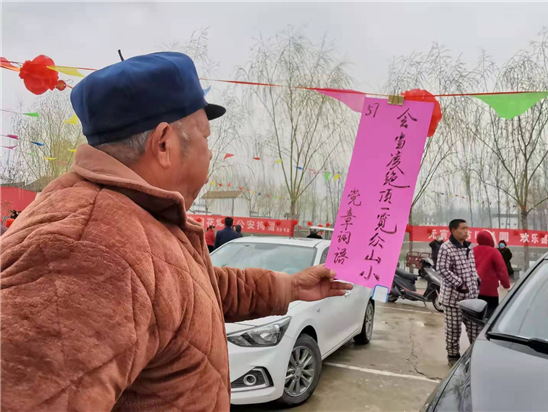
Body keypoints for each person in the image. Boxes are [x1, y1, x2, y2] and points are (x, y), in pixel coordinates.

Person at [0, 52, 352, 412]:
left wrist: (292, 287)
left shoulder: (137, 218)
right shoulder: (87, 251)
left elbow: (194, 289)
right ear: (164, 144)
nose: (211, 154)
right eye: (205, 137)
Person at [437, 219, 483, 367]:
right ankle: (453, 356)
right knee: (453, 330)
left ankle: (475, 356)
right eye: (462, 228)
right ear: (453, 230)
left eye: (467, 228)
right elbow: (442, 269)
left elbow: (472, 268)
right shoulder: (446, 248)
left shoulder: (468, 247)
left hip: (471, 299)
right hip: (453, 300)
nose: (466, 231)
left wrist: (476, 280)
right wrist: (459, 284)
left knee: (475, 329)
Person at [474, 231, 511, 318]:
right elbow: (501, 270)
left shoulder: (472, 251)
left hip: (474, 290)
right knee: (489, 316)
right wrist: (506, 285)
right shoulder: (494, 252)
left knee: (476, 316)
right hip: (490, 291)